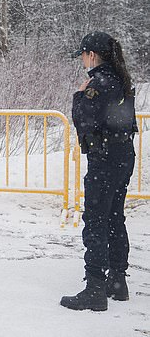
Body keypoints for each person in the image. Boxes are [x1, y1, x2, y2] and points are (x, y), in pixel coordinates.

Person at [61, 31, 137, 311]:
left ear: (91, 55)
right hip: (123, 155)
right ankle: (118, 282)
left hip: (104, 158)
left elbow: (84, 120)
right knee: (115, 216)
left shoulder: (98, 83)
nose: (82, 60)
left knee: (95, 220)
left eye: (82, 55)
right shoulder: (122, 81)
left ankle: (94, 288)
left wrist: (79, 96)